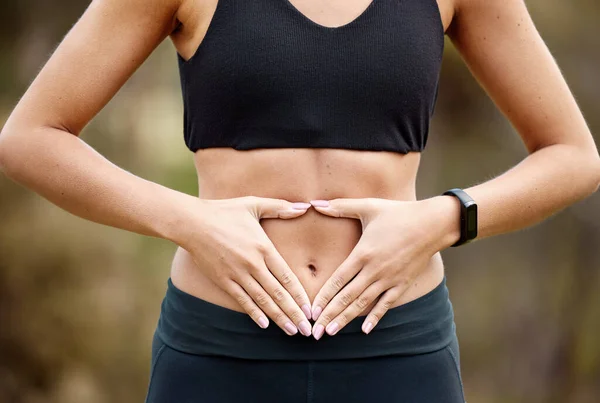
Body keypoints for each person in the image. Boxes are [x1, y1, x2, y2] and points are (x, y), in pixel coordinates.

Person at [0, 0, 598, 401]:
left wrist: (441, 219)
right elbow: (31, 138)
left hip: (398, 348)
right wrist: (189, 221)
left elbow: (573, 155)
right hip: (219, 347)